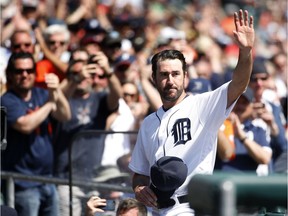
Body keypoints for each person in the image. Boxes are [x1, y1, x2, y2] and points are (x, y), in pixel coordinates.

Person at [128, 9, 255, 216]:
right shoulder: (149, 123)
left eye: (176, 74)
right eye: (164, 75)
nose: (170, 80)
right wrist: (139, 188)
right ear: (154, 78)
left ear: (185, 76)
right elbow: (140, 173)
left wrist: (246, 52)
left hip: (190, 206)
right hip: (156, 209)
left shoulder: (202, 106)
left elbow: (239, 84)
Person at [0, 52, 71, 216]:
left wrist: (57, 91)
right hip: (22, 183)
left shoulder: (41, 93)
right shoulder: (7, 100)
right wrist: (50, 104)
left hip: (47, 179)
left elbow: (65, 115)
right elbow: (25, 125)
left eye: (29, 70)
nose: (25, 75)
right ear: (10, 74)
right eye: (19, 71)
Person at [53, 51, 123, 216]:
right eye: (76, 73)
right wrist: (75, 78)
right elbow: (56, 98)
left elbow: (116, 96)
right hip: (66, 178)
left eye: (86, 73)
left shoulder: (99, 98)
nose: (83, 77)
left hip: (96, 178)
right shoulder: (64, 97)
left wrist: (108, 71)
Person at [214, 88, 272, 174]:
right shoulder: (217, 125)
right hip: (221, 181)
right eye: (236, 102)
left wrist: (242, 136)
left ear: (252, 106)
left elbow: (265, 159)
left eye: (244, 103)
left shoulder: (257, 130)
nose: (240, 106)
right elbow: (225, 155)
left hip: (246, 183)